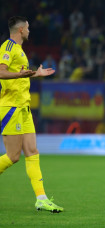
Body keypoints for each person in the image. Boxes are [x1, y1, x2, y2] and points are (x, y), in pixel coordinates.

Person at [0, 16, 64, 213]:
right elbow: (1, 71)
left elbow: (19, 76)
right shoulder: (8, 48)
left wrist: (36, 74)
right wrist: (20, 74)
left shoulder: (19, 50)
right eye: (27, 27)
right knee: (12, 156)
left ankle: (41, 199)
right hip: (11, 108)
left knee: (32, 152)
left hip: (24, 108)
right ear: (20, 30)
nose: (29, 30)